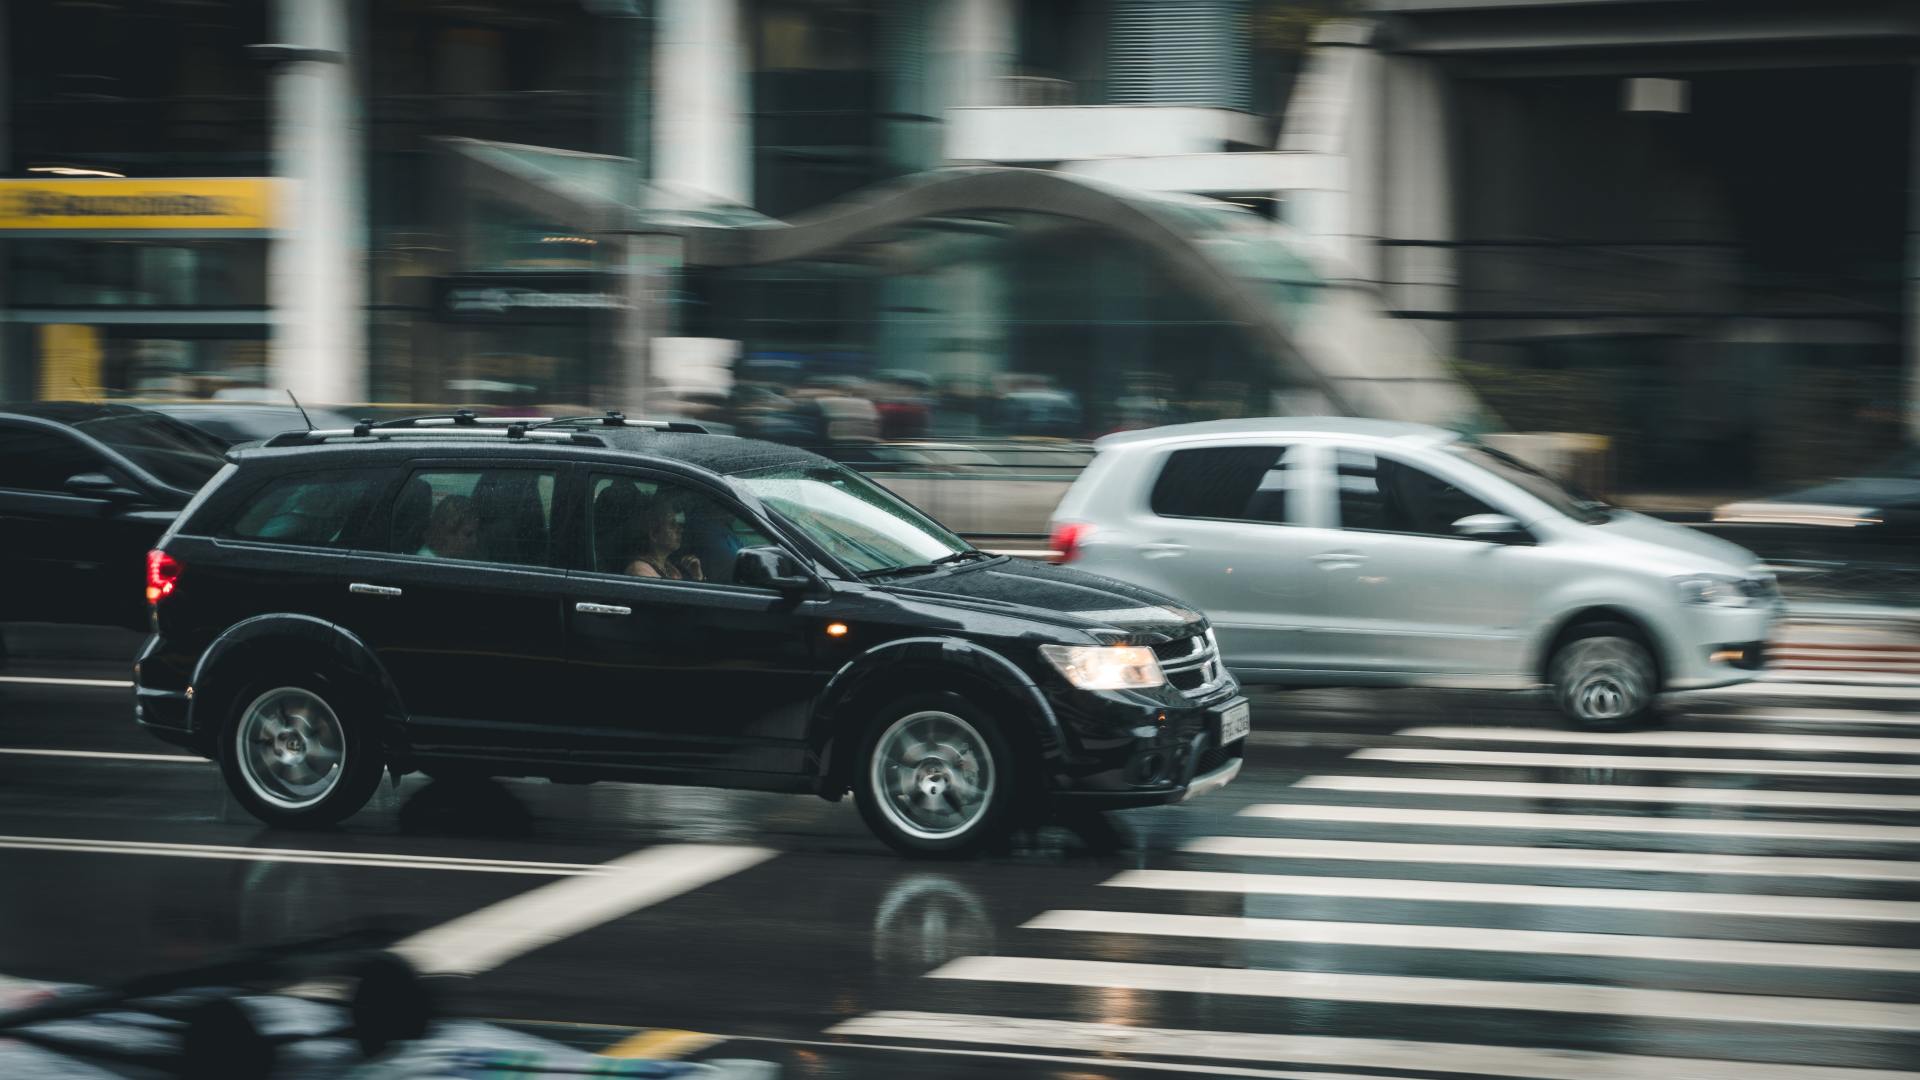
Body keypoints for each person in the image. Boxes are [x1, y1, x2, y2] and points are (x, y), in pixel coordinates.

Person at [626, 493, 704, 581]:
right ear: (654, 534)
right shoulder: (641, 571)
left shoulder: (670, 569)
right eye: (672, 524)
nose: (680, 530)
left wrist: (697, 577)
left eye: (679, 524)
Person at [419, 494, 478, 560]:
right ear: (447, 533)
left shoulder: (448, 561)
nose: (474, 540)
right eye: (468, 534)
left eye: (476, 533)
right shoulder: (427, 563)